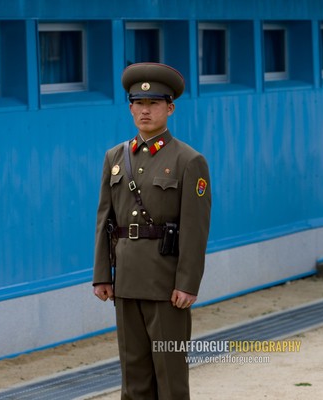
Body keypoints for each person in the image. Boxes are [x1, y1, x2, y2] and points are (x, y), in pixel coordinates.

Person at [93, 62, 211, 399]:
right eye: (138, 104)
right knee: (133, 375)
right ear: (130, 107)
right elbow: (105, 220)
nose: (145, 111)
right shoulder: (115, 157)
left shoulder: (189, 161)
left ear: (170, 108)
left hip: (165, 284)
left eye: (154, 103)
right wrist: (103, 274)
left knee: (169, 374)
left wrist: (187, 284)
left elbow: (195, 227)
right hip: (126, 281)